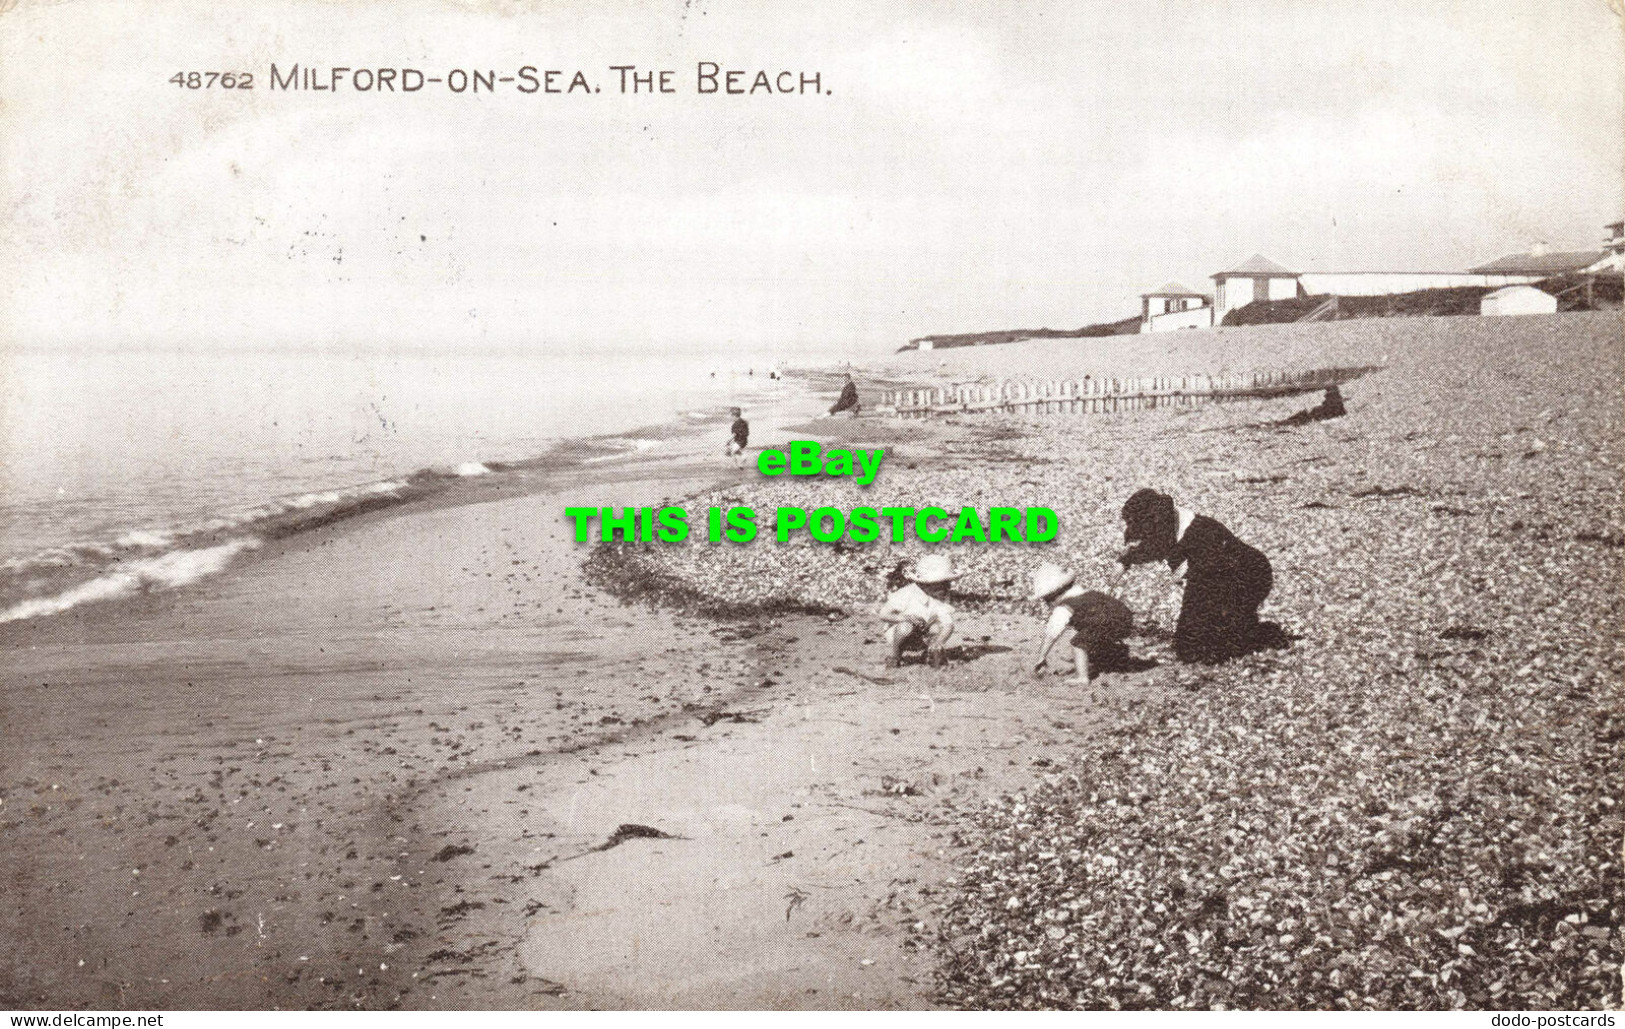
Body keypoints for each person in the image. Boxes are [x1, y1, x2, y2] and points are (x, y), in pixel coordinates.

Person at [1118, 488, 1276, 664]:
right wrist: (1125, 559)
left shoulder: (1203, 534)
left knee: (1202, 650)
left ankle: (1256, 630)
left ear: (1159, 523)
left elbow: (1204, 592)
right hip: (1213, 575)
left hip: (1249, 577)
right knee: (1194, 642)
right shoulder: (1162, 524)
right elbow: (1147, 547)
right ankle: (1240, 626)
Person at [1029, 563, 1135, 683]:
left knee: (1078, 643)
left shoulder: (1065, 606)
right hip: (1126, 619)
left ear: (1052, 597)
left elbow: (1052, 633)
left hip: (1105, 622)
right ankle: (1116, 655)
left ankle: (1082, 678)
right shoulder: (1089, 593)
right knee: (1090, 634)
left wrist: (1041, 657)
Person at [876, 554, 956, 669]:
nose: (945, 587)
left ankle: (931, 654)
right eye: (941, 584)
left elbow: (948, 623)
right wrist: (905, 617)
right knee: (905, 627)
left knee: (937, 626)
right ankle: (895, 657)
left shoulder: (941, 597)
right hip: (900, 632)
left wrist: (940, 641)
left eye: (946, 583)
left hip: (924, 633)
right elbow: (883, 614)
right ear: (927, 584)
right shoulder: (907, 593)